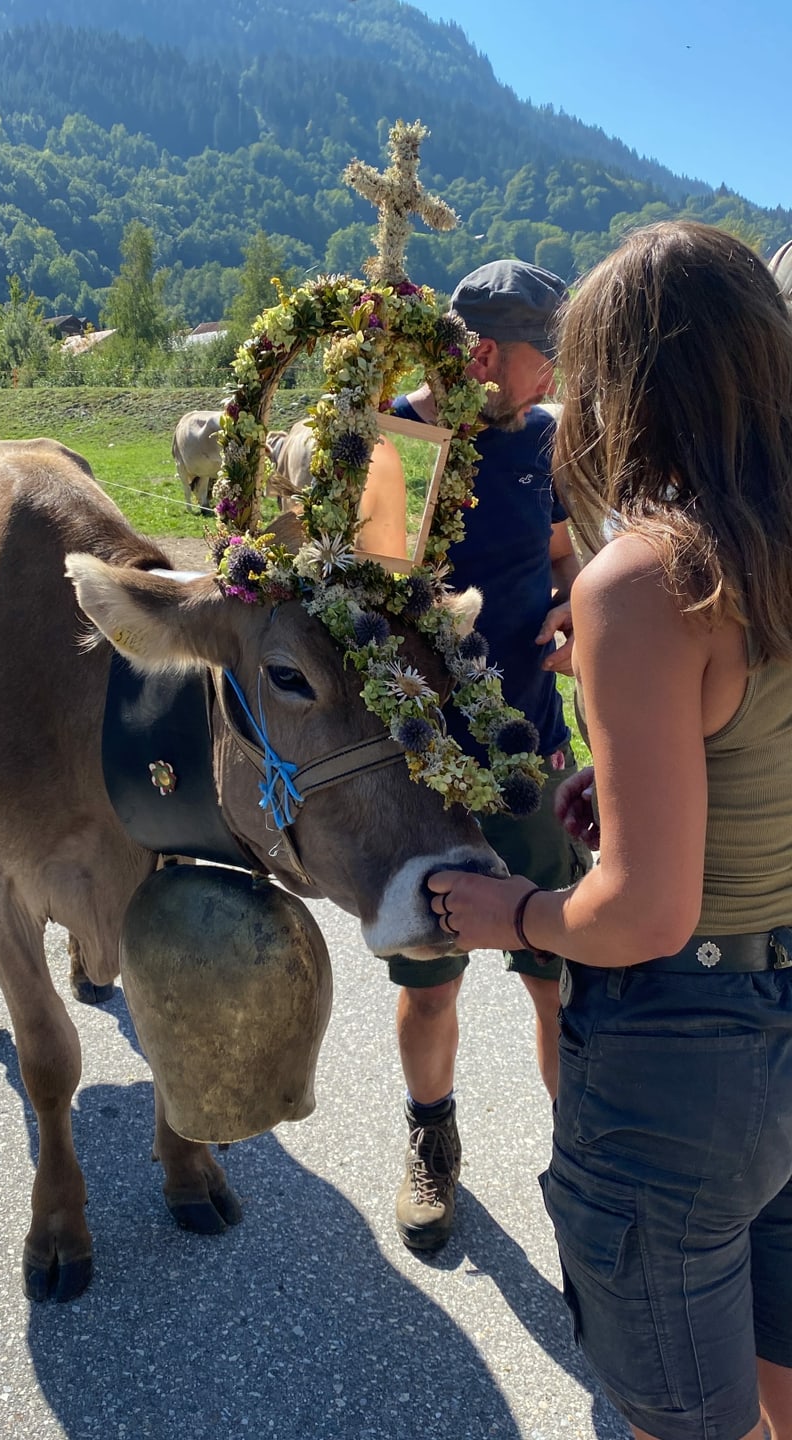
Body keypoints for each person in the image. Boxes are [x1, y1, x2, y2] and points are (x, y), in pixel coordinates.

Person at [429, 220, 792, 1440]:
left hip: (686, 1052)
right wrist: (659, 777)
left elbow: (645, 912)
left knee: (684, 1420)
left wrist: (514, 915)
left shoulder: (646, 578)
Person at [381, 260, 591, 1253]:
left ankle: (583, 1158)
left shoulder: (543, 442)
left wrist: (578, 600)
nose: (555, 379)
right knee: (434, 990)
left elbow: (562, 551)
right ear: (485, 353)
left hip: (532, 761)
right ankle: (433, 1144)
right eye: (547, 359)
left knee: (557, 976)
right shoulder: (402, 441)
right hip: (426, 781)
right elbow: (365, 607)